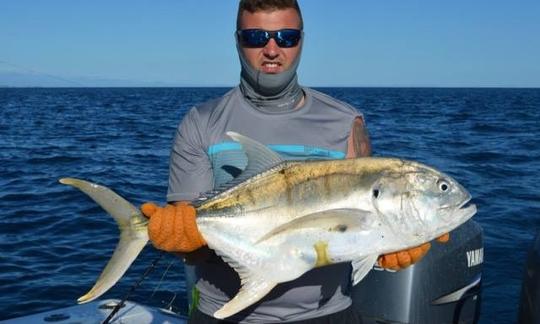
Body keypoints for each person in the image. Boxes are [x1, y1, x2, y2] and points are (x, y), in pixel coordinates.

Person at [141, 1, 448, 323]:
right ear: (237, 41)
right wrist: (180, 239)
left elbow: (364, 223)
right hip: (222, 313)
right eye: (256, 37)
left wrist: (391, 246)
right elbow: (191, 236)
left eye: (286, 37)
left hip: (327, 313)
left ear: (302, 40)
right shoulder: (202, 122)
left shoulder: (345, 122)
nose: (272, 49)